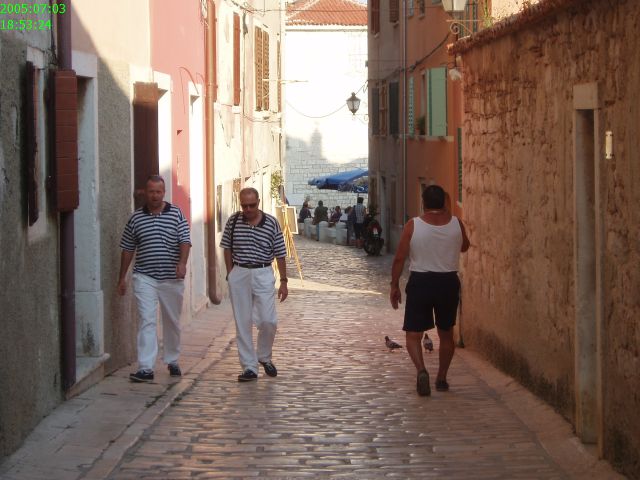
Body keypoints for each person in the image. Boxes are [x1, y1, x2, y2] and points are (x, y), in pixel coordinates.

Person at [389, 185, 470, 396]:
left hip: (421, 282)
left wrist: (394, 285)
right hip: (448, 282)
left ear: (423, 202)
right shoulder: (456, 223)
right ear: (444, 202)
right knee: (446, 333)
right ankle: (441, 378)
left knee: (413, 333)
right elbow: (465, 246)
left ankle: (421, 370)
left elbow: (399, 258)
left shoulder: (413, 225)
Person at [118, 175, 192, 383]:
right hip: (145, 277)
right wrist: (122, 277)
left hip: (171, 278)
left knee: (171, 320)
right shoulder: (136, 218)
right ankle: (145, 367)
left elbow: (185, 241)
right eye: (151, 191)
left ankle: (172, 359)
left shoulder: (176, 214)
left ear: (164, 193)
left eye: (158, 192)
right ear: (145, 192)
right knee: (147, 320)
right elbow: (127, 248)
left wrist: (182, 263)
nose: (155, 195)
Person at [220, 187, 289, 382]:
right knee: (242, 322)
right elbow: (227, 247)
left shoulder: (271, 223)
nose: (248, 209)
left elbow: (280, 253)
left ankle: (264, 356)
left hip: (263, 272)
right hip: (240, 272)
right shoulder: (234, 221)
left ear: (258, 202)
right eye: (244, 206)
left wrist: (284, 281)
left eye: (252, 205)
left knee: (268, 320)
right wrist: (231, 272)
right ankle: (249, 367)